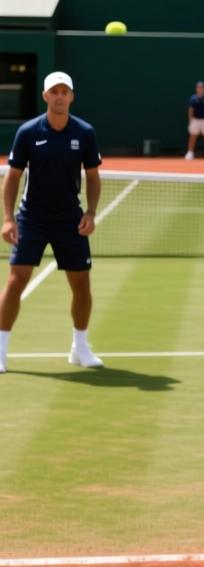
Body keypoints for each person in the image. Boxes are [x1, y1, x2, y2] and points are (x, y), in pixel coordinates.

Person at [1, 71, 104, 374]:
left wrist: (91, 213)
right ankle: (2, 350)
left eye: (64, 91)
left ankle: (80, 348)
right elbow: (13, 178)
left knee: (81, 284)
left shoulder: (84, 133)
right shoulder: (28, 132)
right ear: (45, 96)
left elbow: (93, 177)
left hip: (70, 219)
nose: (59, 96)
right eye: (54, 92)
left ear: (71, 96)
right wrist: (8, 219)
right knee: (16, 278)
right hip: (31, 218)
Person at [185, 81, 204, 161]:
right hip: (195, 120)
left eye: (202, 88)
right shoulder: (193, 98)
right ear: (196, 89)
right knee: (193, 136)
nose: (200, 89)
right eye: (199, 87)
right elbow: (190, 110)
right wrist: (190, 121)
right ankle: (190, 153)